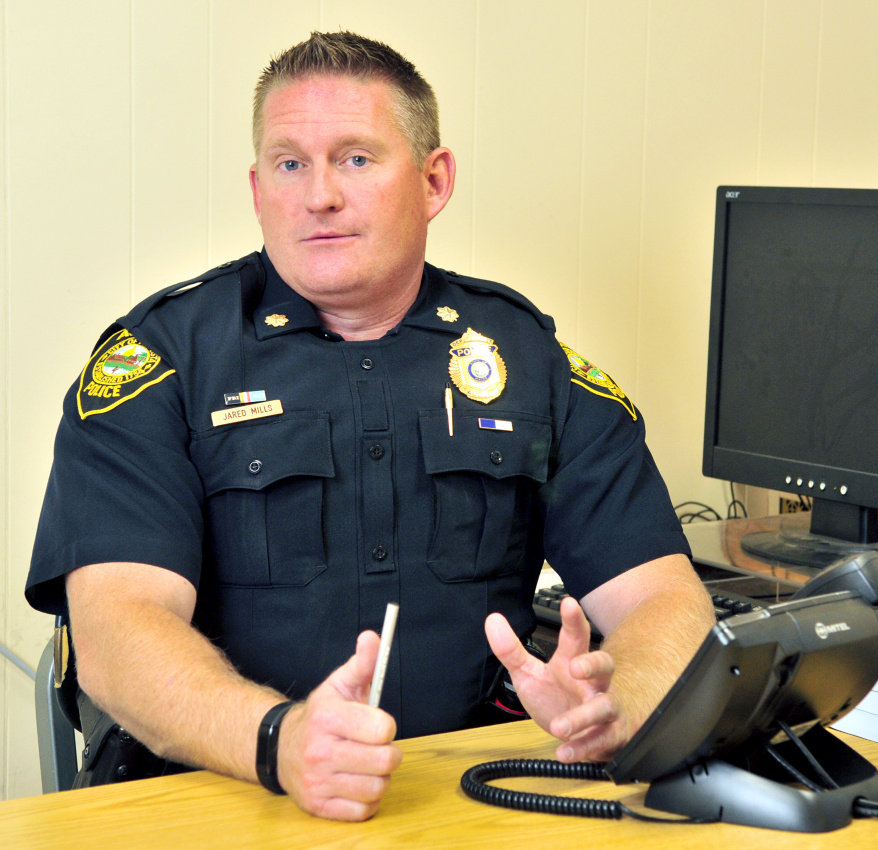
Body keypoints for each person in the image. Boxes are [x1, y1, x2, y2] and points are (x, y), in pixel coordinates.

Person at [26, 31, 715, 821]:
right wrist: (279, 741)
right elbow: (116, 636)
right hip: (209, 793)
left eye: (355, 158)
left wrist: (613, 702)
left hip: (465, 798)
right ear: (258, 190)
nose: (318, 195)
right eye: (290, 164)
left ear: (433, 179)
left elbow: (665, 598)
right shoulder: (162, 360)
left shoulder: (524, 358)